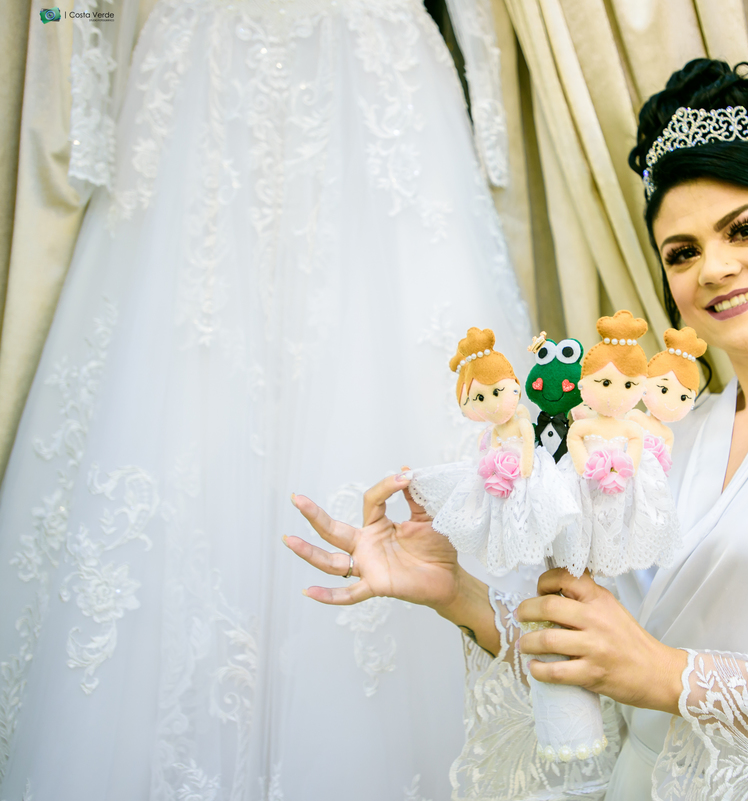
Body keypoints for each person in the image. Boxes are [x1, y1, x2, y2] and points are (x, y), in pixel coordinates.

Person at [286, 59, 748, 799]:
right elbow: (609, 668)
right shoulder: (659, 441)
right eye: (683, 252)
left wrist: (669, 675)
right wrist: (457, 592)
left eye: (745, 228)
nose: (715, 268)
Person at [0, 1, 531, 798]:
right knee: (182, 398)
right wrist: (90, 106)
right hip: (199, 88)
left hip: (376, 81)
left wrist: (489, 106)